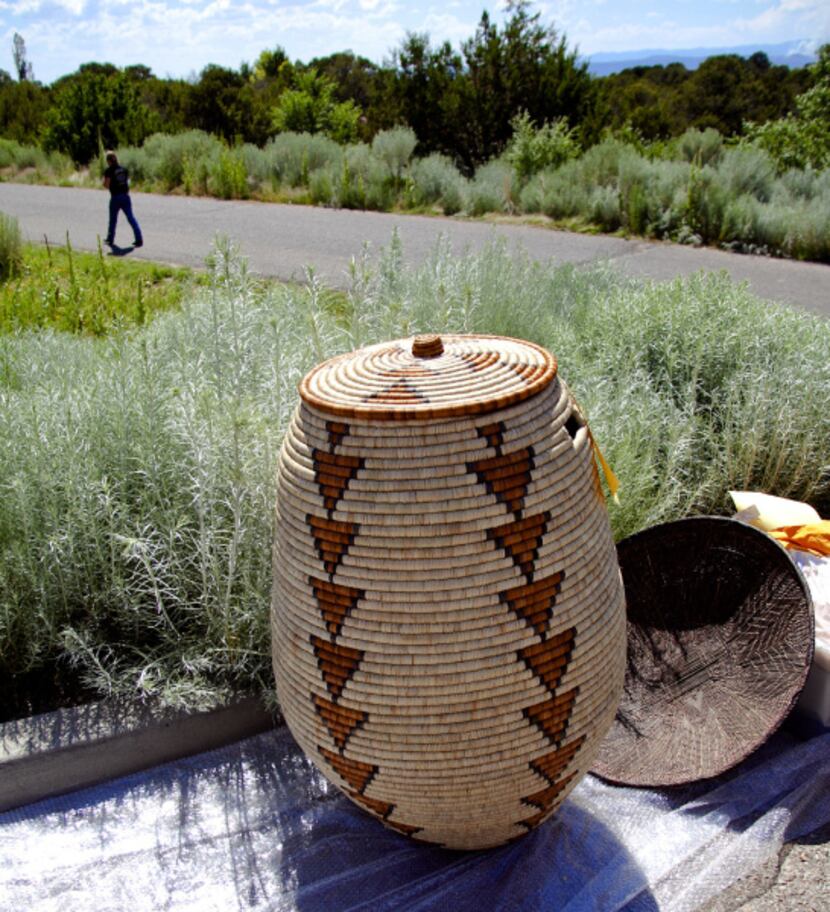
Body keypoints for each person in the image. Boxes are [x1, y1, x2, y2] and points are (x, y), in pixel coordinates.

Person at [102, 150, 143, 248]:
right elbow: (127, 182)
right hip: (125, 196)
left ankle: (110, 239)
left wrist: (105, 184)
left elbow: (106, 185)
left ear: (108, 161)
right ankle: (139, 239)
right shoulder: (124, 169)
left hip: (115, 197)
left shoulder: (109, 171)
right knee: (131, 218)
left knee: (113, 219)